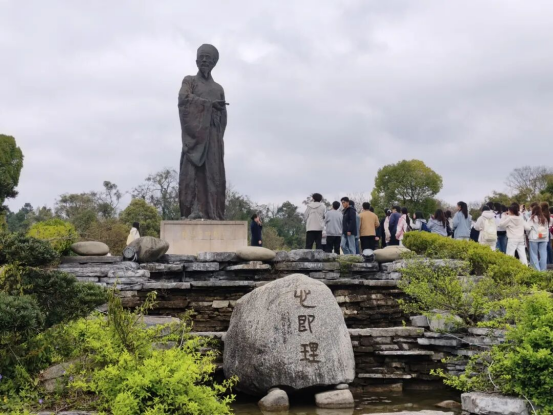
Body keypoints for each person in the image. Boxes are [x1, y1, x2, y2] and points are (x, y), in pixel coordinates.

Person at [524, 205, 550, 271]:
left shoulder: (531, 219)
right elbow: (547, 229)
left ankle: (537, 270)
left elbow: (527, 229)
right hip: (544, 238)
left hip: (534, 238)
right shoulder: (544, 219)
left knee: (534, 255)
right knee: (543, 254)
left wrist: (528, 235)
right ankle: (543, 270)